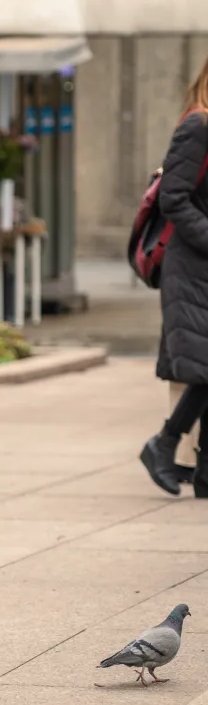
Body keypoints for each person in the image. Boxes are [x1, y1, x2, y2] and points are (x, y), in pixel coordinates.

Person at [140, 59, 208, 499]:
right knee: (204, 369)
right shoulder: (198, 126)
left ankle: (203, 473)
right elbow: (174, 198)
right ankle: (163, 444)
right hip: (192, 267)